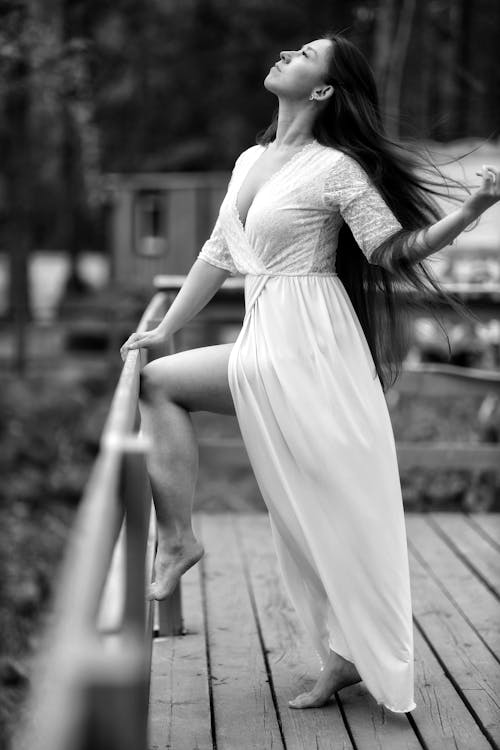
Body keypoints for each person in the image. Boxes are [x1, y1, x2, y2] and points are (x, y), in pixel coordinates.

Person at [120, 33, 499, 713]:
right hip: (268, 339)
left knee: (333, 509)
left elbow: (392, 249)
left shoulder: (337, 170)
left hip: (313, 349)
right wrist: (166, 327)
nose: (286, 55)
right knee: (162, 384)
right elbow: (217, 252)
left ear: (323, 90)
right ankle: (179, 540)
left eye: (304, 55)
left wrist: (470, 214)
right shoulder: (250, 160)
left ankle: (351, 657)